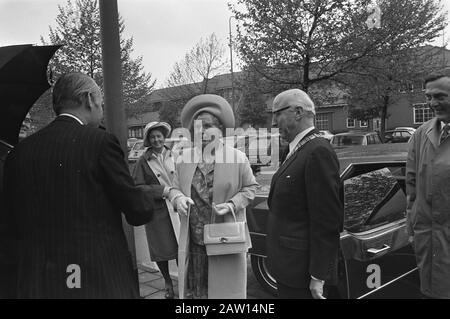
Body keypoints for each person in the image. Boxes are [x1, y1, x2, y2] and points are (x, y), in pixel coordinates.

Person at [0, 72, 155, 299]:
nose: (101, 110)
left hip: (36, 280)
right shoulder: (100, 143)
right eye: (100, 103)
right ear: (88, 99)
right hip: (94, 277)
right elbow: (137, 210)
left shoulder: (19, 153)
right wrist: (151, 193)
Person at [168, 94, 257, 299]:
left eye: (208, 126)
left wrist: (233, 204)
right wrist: (177, 198)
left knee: (224, 293)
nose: (202, 131)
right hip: (195, 242)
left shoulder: (237, 158)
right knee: (198, 294)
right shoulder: (183, 159)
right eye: (198, 126)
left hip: (225, 238)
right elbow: (174, 189)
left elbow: (251, 188)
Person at [266, 88, 343, 299]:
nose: (273, 123)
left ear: (298, 112)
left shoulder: (317, 151)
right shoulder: (295, 149)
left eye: (277, 114)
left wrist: (319, 275)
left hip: (303, 275)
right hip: (290, 268)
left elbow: (327, 219)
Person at [406, 72, 450, 299]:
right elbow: (412, 188)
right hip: (429, 242)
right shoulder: (421, 135)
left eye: (440, 96)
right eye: (429, 97)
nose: (432, 103)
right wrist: (412, 228)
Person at [132, 121, 179, 299]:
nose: (156, 139)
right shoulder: (143, 161)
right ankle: (167, 281)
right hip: (158, 211)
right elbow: (138, 187)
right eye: (153, 137)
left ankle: (184, 280)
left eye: (159, 136)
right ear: (148, 140)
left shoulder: (175, 154)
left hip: (177, 208)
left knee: (181, 248)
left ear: (164, 137)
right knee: (162, 250)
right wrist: (163, 191)